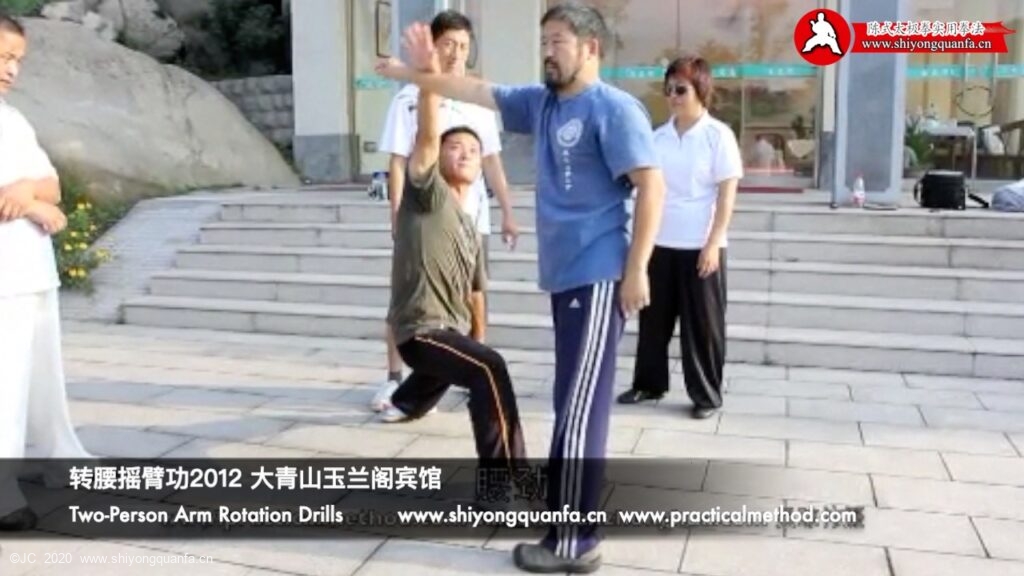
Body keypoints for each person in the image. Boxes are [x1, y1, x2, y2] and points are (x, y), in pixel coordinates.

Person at [375, 2, 665, 572]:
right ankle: (566, 525)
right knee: (568, 403)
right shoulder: (543, 103)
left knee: (579, 411)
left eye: (559, 41)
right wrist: (416, 72)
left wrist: (637, 269)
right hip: (567, 278)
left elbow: (652, 186)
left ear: (591, 48)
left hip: (598, 273)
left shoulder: (613, 108)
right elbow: (474, 89)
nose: (548, 51)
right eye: (544, 41)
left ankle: (574, 542)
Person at [381, 23, 526, 474]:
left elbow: (474, 291)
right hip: (420, 332)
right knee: (488, 368)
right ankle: (505, 483)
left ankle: (407, 400)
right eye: (454, 147)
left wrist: (507, 212)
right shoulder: (428, 195)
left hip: (445, 332)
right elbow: (425, 140)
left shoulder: (468, 223)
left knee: (464, 349)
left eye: (471, 150)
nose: (464, 154)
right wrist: (426, 76)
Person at [0, 13, 94, 531]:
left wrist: (27, 192)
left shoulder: (12, 118)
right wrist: (31, 203)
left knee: (38, 380)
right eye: (2, 57)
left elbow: (52, 184)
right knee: (3, 384)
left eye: (17, 60)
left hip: (31, 269)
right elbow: (41, 199)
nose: (11, 70)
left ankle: (54, 456)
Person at [617, 56, 742, 419]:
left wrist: (714, 242)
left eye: (681, 89)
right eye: (668, 89)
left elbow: (727, 195)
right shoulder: (657, 138)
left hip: (700, 247)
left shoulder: (718, 135)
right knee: (653, 322)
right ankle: (648, 383)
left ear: (701, 90)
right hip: (659, 243)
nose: (673, 96)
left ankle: (706, 395)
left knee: (702, 326)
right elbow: (645, 191)